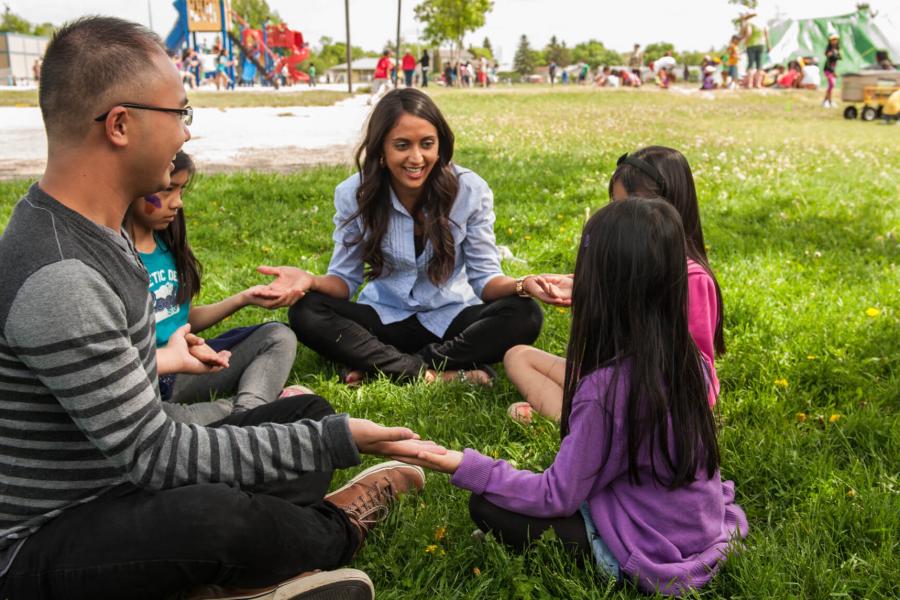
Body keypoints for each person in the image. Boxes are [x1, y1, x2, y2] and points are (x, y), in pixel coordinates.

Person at [0, 17, 439, 599]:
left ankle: (220, 580)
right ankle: (335, 530)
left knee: (303, 412)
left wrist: (318, 430)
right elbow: (156, 455)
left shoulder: (97, 233)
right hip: (46, 540)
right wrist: (337, 440)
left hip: (123, 480)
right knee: (215, 519)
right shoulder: (62, 273)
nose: (186, 134)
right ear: (121, 124)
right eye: (180, 113)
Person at [399, 198, 749, 596]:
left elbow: (556, 495)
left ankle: (595, 556)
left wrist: (463, 463)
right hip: (695, 526)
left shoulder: (607, 390)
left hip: (647, 544)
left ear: (601, 288)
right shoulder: (689, 360)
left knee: (486, 506)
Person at [258, 88, 569, 387]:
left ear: (440, 145)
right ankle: (435, 371)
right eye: (402, 145)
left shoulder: (470, 190)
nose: (417, 158)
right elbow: (343, 281)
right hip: (385, 317)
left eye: (427, 144)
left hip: (453, 316)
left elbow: (486, 280)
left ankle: (390, 365)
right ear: (381, 148)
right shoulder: (353, 193)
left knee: (525, 313)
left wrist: (523, 284)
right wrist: (309, 281)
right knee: (305, 310)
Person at [506, 146, 725, 423]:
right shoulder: (627, 263)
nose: (617, 217)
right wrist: (582, 288)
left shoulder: (692, 279)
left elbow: (695, 374)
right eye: (614, 204)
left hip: (657, 397)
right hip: (612, 380)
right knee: (518, 356)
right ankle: (583, 417)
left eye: (627, 207)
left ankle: (584, 422)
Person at [125, 150, 304, 425]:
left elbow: (181, 319)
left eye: (182, 190)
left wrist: (243, 299)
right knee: (160, 422)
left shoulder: (168, 246)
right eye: (168, 190)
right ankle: (252, 414)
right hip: (145, 381)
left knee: (278, 336)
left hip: (184, 372)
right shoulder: (116, 257)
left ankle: (247, 413)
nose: (178, 202)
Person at [740, 12, 770, 89]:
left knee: (750, 65)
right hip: (761, 45)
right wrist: (769, 45)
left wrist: (745, 43)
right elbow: (766, 34)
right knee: (759, 66)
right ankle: (758, 84)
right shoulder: (762, 22)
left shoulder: (749, 22)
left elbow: (749, 33)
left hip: (751, 45)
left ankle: (750, 84)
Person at [823, 34, 841, 108]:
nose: (834, 41)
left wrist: (838, 54)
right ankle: (826, 101)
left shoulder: (837, 49)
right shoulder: (829, 51)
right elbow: (828, 63)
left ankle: (828, 101)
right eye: (833, 40)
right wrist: (833, 72)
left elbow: (839, 58)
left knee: (831, 85)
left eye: (836, 39)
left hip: (833, 69)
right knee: (831, 84)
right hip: (828, 69)